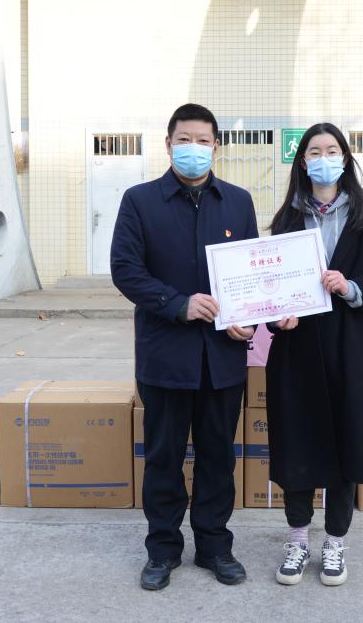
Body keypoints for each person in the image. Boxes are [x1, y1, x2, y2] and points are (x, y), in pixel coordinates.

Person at [111, 103, 258, 591]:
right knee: (163, 457)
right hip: (165, 356)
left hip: (222, 360)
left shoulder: (238, 202)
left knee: (218, 457)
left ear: (217, 146)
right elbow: (126, 270)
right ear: (168, 144)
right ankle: (162, 549)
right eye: (184, 140)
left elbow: (252, 274)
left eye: (203, 141)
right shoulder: (140, 201)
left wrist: (247, 320)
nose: (193, 148)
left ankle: (215, 546)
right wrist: (178, 304)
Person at [264, 122, 363, 586]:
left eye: (332, 150)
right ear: (302, 161)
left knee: (347, 441)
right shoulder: (287, 219)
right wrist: (276, 318)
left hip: (351, 348)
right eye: (314, 151)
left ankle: (335, 542)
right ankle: (297, 539)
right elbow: (268, 289)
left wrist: (351, 287)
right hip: (297, 351)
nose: (323, 158)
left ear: (344, 158)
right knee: (296, 442)